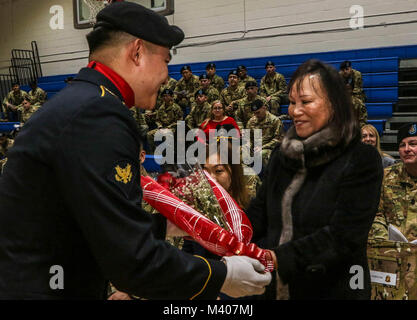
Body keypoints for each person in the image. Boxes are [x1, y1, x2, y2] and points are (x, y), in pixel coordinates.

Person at [0, 2, 270, 299]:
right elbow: (131, 260)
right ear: (137, 52)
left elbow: (91, 221)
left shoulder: (80, 102)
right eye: (166, 60)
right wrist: (223, 276)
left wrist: (166, 226)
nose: (168, 76)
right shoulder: (99, 115)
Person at [246, 59, 383, 300]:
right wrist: (228, 237)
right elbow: (259, 213)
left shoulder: (361, 159)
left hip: (332, 289)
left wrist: (277, 258)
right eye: (291, 102)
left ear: (334, 104)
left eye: (306, 102)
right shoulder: (281, 155)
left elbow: (344, 236)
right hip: (271, 288)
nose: (295, 111)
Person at [369, 123, 417, 242]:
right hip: (392, 251)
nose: (406, 149)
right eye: (402, 145)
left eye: (413, 144)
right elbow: (376, 214)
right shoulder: (386, 176)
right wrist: (385, 242)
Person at [244, 99, 283, 169]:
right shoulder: (251, 121)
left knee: (261, 154)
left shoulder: (274, 120)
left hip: (269, 149)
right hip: (255, 148)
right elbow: (247, 138)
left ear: (264, 108)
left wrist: (262, 147)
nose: (256, 115)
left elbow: (278, 139)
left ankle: (268, 178)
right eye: (254, 113)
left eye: (258, 112)